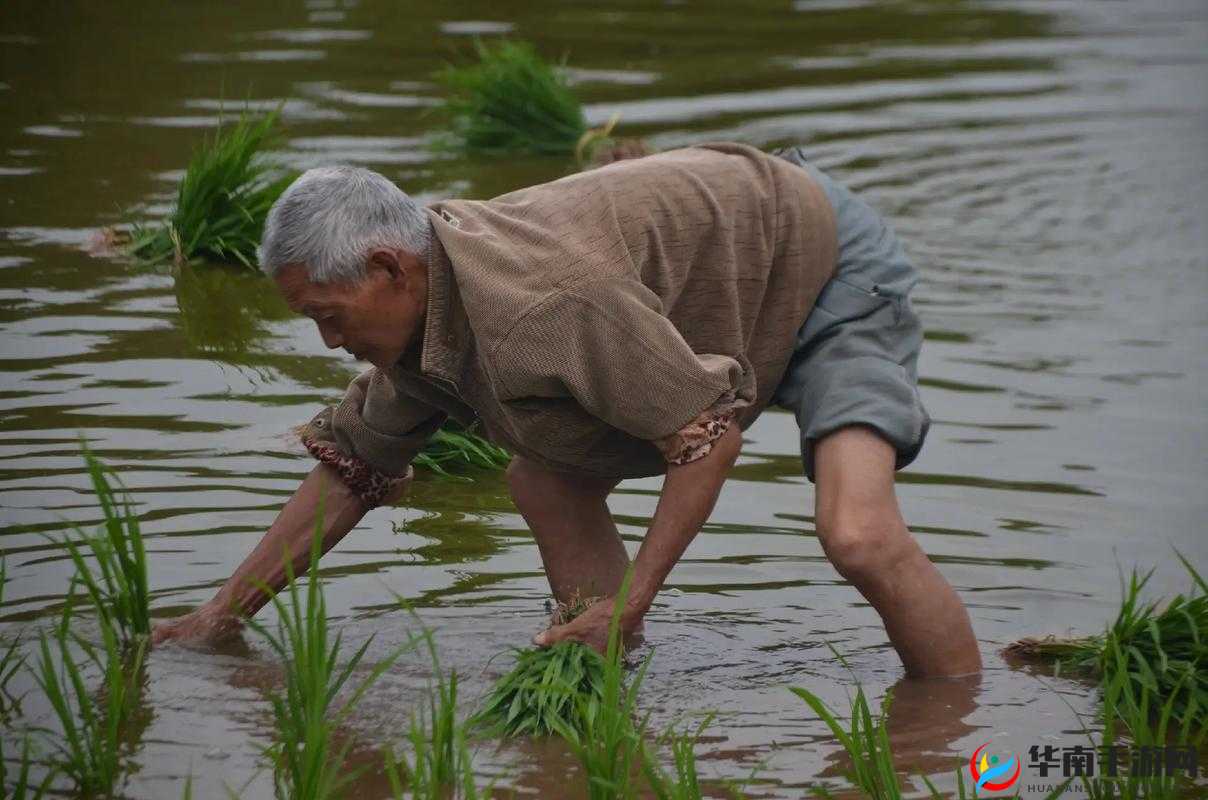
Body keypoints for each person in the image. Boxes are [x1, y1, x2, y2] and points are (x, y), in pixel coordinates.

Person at [151, 142, 981, 678]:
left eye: (330, 314)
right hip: (707, 292)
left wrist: (635, 600)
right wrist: (218, 619)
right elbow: (351, 471)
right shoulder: (426, 320)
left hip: (819, 261)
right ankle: (600, 672)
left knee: (857, 533)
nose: (330, 341)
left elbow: (708, 440)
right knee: (542, 477)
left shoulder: (541, 307)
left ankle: (958, 734)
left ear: (390, 267)